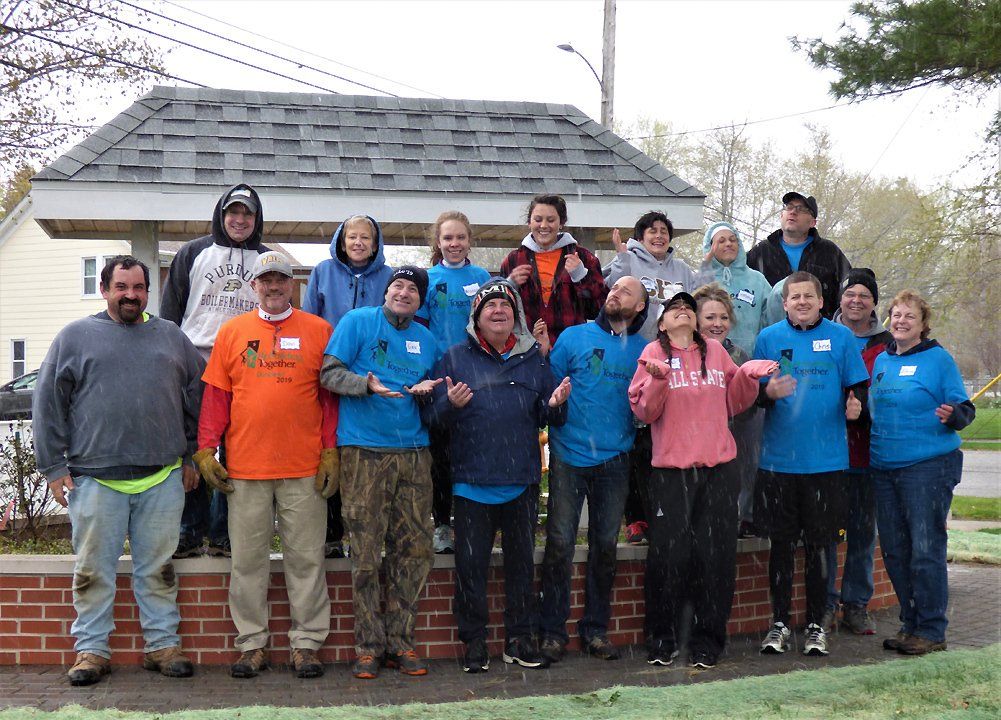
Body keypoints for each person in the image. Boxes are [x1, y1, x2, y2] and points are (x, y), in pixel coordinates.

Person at [33, 255, 204, 686]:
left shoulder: (171, 337)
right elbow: (48, 405)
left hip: (162, 477)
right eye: (122, 287)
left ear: (149, 291)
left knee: (159, 568)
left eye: (139, 287)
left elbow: (196, 400)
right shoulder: (75, 337)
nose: (131, 295)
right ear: (105, 289)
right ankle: (91, 651)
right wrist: (54, 467)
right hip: (95, 479)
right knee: (93, 570)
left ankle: (162, 645)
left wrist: (191, 456)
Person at [195, 251, 338, 680]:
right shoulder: (232, 332)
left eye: (281, 279)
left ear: (292, 284)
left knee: (307, 560)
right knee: (248, 563)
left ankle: (307, 644)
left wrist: (331, 451)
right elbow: (217, 399)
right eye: (265, 280)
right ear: (253, 286)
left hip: (303, 468)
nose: (273, 287)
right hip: (246, 469)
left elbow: (329, 400)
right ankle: (252, 644)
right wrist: (205, 450)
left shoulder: (319, 330)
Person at [423, 279, 571, 673]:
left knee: (521, 569)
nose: (498, 311)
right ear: (476, 316)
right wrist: (450, 407)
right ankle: (474, 644)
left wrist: (556, 405)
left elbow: (549, 415)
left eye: (506, 306)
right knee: (470, 571)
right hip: (472, 483)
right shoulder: (454, 358)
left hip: (521, 482)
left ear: (516, 316)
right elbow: (433, 420)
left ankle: (520, 641)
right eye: (490, 306)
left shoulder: (534, 360)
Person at [629, 292, 777, 669]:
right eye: (673, 309)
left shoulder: (715, 351)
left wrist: (748, 375)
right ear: (661, 324)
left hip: (718, 471)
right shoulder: (652, 354)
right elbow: (644, 411)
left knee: (715, 557)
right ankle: (662, 639)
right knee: (670, 557)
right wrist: (659, 381)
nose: (682, 311)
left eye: (687, 308)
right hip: (671, 473)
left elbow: (735, 402)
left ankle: (708, 641)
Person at [320, 266, 440, 680]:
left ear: (421, 300)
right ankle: (368, 647)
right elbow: (328, 373)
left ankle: (401, 642)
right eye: (398, 285)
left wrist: (430, 393)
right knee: (367, 554)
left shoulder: (427, 340)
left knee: (413, 551)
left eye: (412, 289)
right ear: (387, 291)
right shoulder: (357, 322)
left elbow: (432, 394)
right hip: (364, 452)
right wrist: (364, 384)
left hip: (414, 453)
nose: (404, 293)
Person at [753, 271, 870, 658]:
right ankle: (780, 623)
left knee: (820, 548)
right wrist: (766, 393)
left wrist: (856, 406)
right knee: (782, 548)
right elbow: (753, 393)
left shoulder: (841, 338)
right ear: (784, 303)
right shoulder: (769, 338)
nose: (801, 301)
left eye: (809, 296)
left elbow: (858, 391)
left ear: (822, 302)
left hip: (826, 464)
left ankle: (817, 624)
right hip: (778, 464)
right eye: (794, 297)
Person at [539, 276, 649, 664]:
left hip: (616, 460)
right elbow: (546, 392)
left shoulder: (644, 350)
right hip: (569, 456)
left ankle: (595, 630)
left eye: (627, 292)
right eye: (614, 288)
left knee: (604, 548)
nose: (615, 293)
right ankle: (552, 633)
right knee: (559, 546)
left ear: (639, 308)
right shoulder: (572, 338)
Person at [161, 184, 270, 560]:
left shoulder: (266, 259)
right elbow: (170, 312)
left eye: (247, 214)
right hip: (195, 360)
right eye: (233, 213)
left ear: (257, 220)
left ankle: (224, 534)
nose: (239, 220)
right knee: (194, 447)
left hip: (248, 362)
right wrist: (170, 357)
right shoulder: (193, 253)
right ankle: (190, 532)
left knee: (236, 447)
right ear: (221, 214)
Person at [870, 290, 974, 656]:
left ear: (923, 324)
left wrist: (953, 416)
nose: (900, 321)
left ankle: (932, 628)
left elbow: (964, 409)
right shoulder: (882, 361)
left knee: (925, 549)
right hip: (884, 467)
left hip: (927, 468)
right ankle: (910, 623)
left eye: (908, 317)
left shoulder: (938, 360)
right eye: (896, 315)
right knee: (896, 551)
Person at [303, 214, 394, 559]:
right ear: (342, 241)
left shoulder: (387, 277)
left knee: (364, 454)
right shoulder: (323, 272)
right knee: (331, 449)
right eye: (352, 237)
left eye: (365, 238)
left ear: (375, 243)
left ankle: (367, 535)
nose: (358, 243)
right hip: (331, 370)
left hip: (372, 375)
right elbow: (311, 319)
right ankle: (331, 535)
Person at [604, 211, 696, 545]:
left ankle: (663, 510)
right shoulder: (628, 260)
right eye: (651, 231)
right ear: (640, 236)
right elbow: (607, 292)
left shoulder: (683, 271)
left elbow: (702, 298)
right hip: (636, 355)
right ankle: (635, 518)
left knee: (662, 436)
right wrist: (620, 258)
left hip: (674, 361)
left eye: (663, 231)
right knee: (634, 435)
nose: (658, 236)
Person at [415, 211, 491, 555]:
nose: (454, 244)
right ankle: (442, 525)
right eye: (447, 238)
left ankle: (473, 523)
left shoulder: (482, 277)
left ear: (469, 240)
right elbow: (418, 329)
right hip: (440, 379)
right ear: (438, 242)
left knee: (474, 453)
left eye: (460, 237)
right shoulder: (427, 279)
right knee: (442, 457)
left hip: (478, 377)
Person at [822, 269, 893, 635]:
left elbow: (886, 390)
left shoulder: (888, 343)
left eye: (865, 295)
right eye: (851, 293)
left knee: (863, 535)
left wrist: (861, 408)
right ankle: (825, 604)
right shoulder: (823, 335)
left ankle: (856, 605)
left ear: (874, 302)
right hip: (825, 454)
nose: (856, 300)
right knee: (827, 536)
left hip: (866, 456)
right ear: (840, 298)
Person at [692, 284, 762, 538]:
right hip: (690, 459)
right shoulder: (681, 354)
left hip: (729, 457)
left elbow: (747, 410)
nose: (717, 324)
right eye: (710, 317)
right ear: (696, 319)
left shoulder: (739, 356)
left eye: (723, 317)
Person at [500, 194, 607, 346]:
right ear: (529, 222)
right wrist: (509, 286)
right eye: (538, 220)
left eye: (551, 220)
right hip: (524, 349)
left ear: (561, 223)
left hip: (573, 348)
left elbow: (598, 310)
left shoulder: (583, 257)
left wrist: (582, 277)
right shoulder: (514, 260)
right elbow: (499, 310)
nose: (544, 225)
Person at [746, 192, 851, 320]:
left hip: (818, 333)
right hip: (772, 332)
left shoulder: (829, 252)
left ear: (812, 222)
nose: (793, 212)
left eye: (801, 209)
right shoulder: (761, 251)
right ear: (781, 215)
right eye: (789, 207)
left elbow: (850, 287)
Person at [693, 221, 772, 356]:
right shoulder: (700, 278)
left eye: (732, 240)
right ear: (710, 246)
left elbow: (769, 318)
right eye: (721, 241)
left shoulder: (757, 279)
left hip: (750, 357)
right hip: (708, 358)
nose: (728, 244)